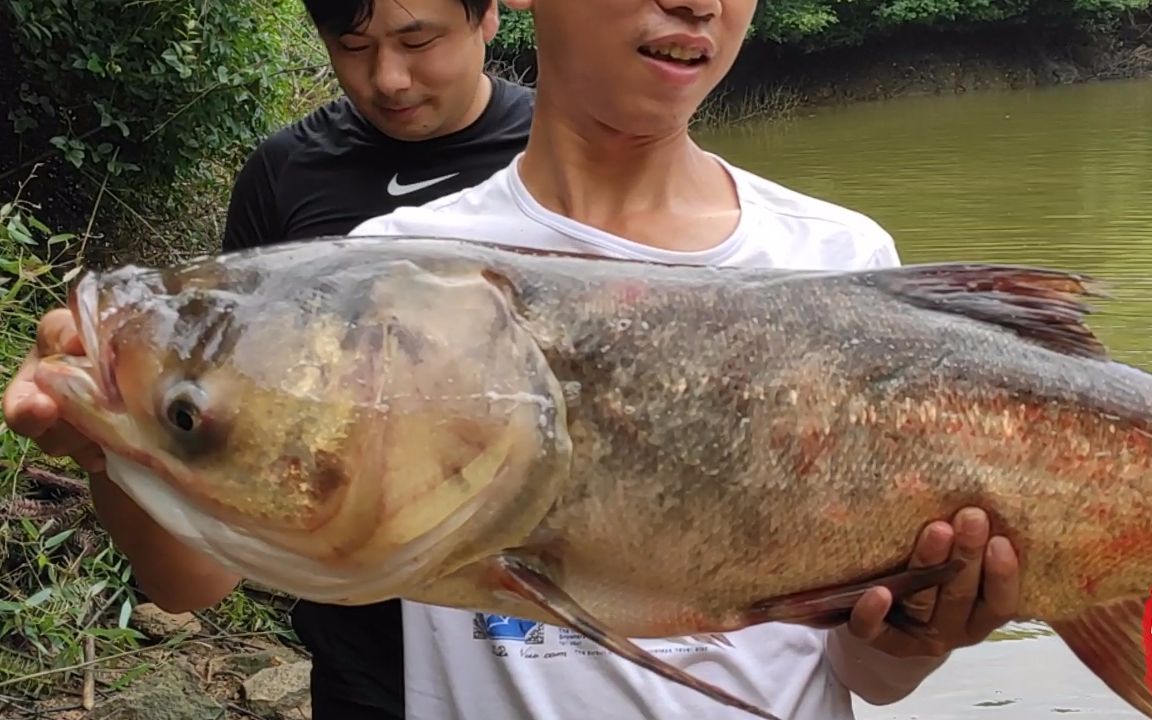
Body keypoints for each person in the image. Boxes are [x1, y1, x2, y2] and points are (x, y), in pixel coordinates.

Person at [343, 0, 1023, 717]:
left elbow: (869, 677)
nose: (699, 4)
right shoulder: (396, 280)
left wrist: (918, 630)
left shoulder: (838, 261)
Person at [1, 1, 534, 718]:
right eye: (352, 46)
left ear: (491, 15)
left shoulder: (568, 155)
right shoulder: (284, 175)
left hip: (556, 641)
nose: (389, 78)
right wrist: (117, 442)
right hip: (365, 663)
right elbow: (199, 552)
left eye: (418, 39)